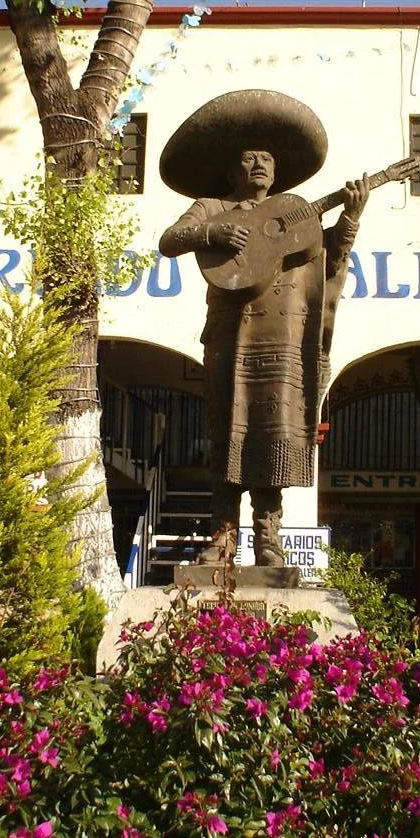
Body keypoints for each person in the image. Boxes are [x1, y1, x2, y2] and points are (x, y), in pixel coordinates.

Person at [159, 89, 368, 566]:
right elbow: (170, 240)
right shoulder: (211, 206)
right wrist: (211, 233)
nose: (259, 164)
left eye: (267, 159)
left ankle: (268, 537)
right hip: (230, 337)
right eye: (250, 157)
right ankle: (221, 537)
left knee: (274, 433)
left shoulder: (295, 218)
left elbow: (328, 264)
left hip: (281, 340)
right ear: (233, 169)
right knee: (224, 434)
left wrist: (350, 217)